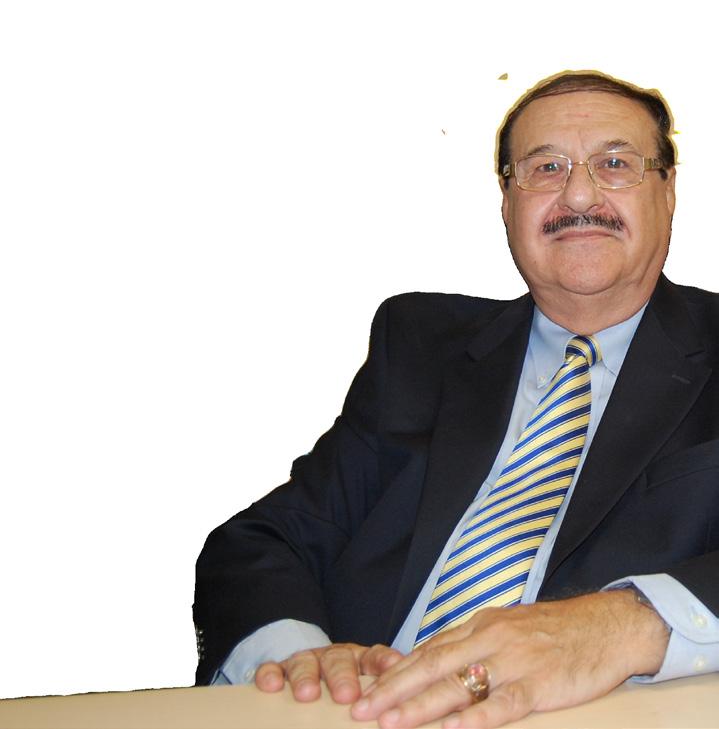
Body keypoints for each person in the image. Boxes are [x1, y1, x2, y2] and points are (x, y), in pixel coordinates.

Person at [193, 70, 719, 728]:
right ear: (507, 202)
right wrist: (303, 661)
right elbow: (258, 543)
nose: (579, 193)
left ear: (667, 191)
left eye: (615, 164)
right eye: (545, 167)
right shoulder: (421, 347)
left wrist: (626, 625)